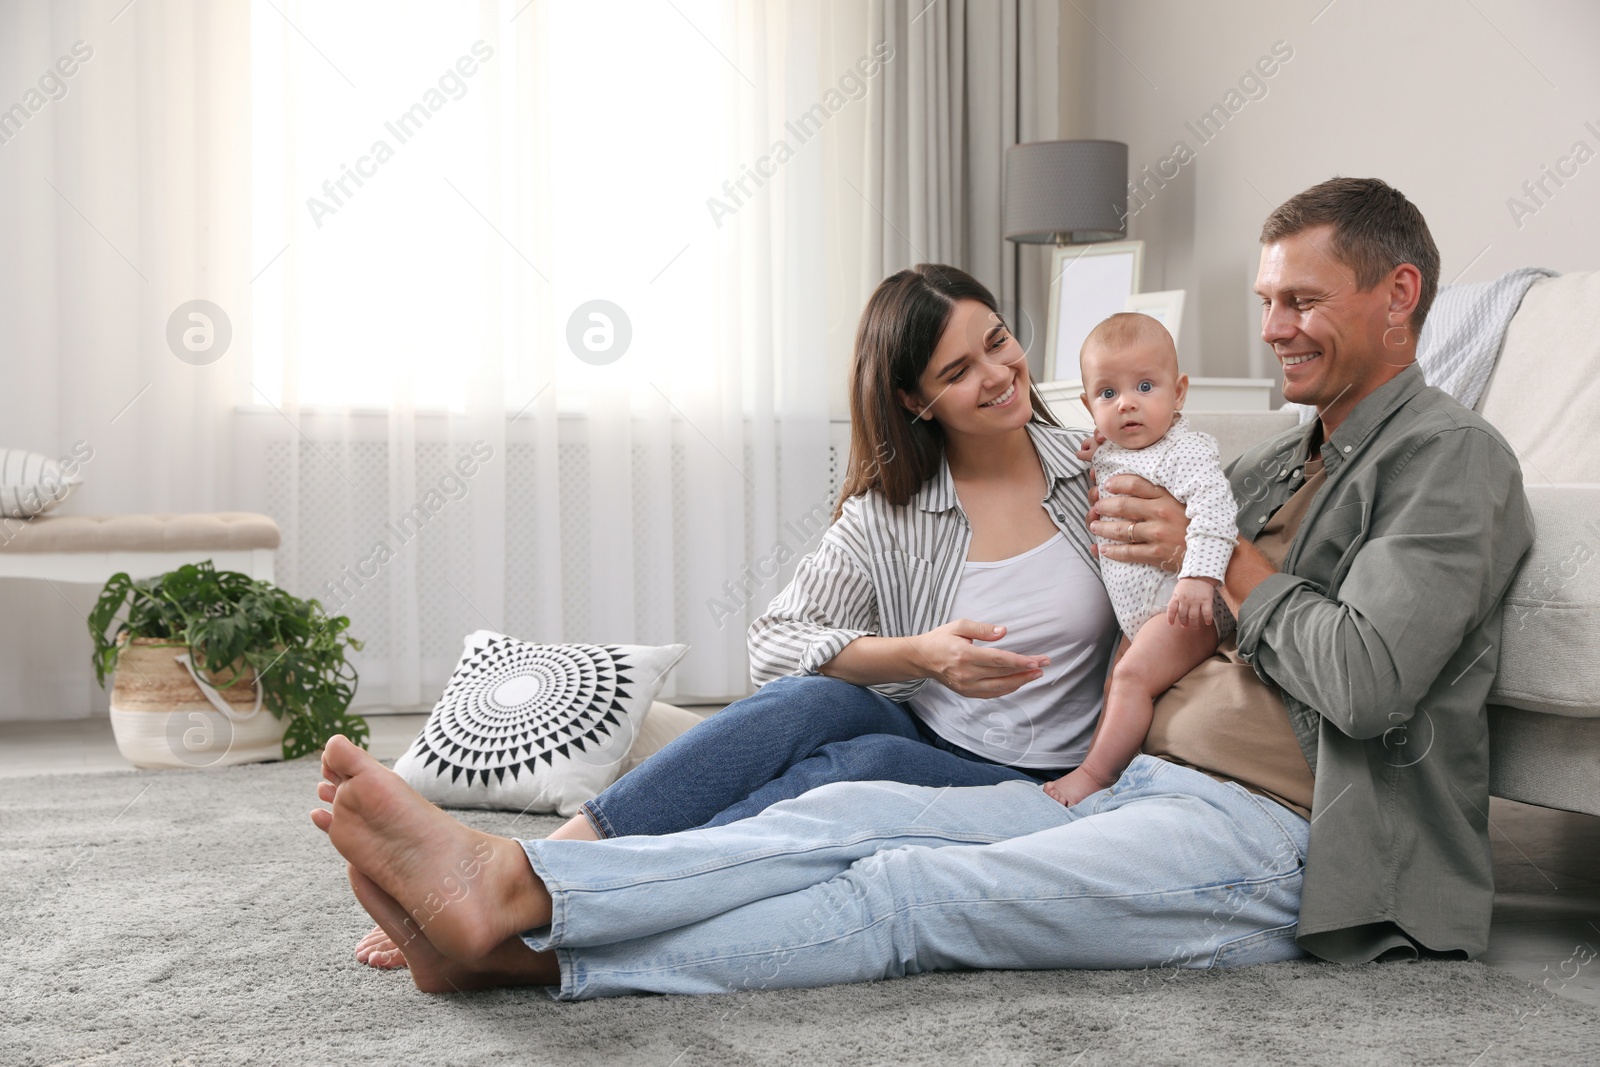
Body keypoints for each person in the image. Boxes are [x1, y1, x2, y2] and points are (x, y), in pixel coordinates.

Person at [322, 177, 1535, 996]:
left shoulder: (1450, 460)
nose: (1271, 328)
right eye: (1266, 300)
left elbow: (1372, 685)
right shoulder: (1274, 457)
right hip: (1125, 779)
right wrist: (928, 655)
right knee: (839, 810)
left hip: (1278, 830)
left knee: (911, 889)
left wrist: (1207, 560)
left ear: (1399, 296)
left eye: (1300, 300)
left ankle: (526, 940)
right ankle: (526, 889)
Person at [351, 266, 1125, 968]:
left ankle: (536, 898)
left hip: (1035, 776)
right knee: (805, 701)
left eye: (998, 342)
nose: (998, 374)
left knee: (839, 774)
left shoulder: (1102, 474)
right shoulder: (888, 513)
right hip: (923, 726)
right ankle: (531, 867)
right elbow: (776, 644)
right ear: (913, 399)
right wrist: (920, 655)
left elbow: (1189, 579)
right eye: (958, 370)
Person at [1043, 313, 1239, 808]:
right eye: (1108, 394)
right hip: (1139, 613)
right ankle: (1107, 773)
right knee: (1115, 682)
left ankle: (1092, 775)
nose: (1126, 402)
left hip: (1185, 607)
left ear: (1179, 393)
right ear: (1089, 405)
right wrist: (1094, 446)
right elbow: (1102, 454)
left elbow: (1217, 515)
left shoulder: (1185, 451)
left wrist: (1198, 578)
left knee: (1131, 679)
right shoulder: (1112, 447)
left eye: (1145, 386)